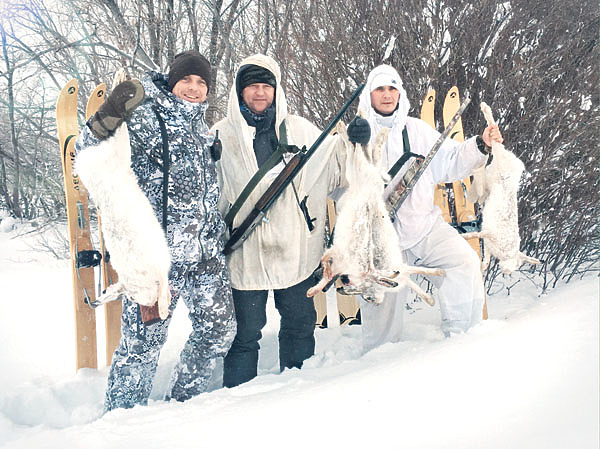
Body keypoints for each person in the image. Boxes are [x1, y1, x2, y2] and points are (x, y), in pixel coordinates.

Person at [75, 50, 236, 411]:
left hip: (204, 256)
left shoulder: (201, 126)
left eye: (201, 83)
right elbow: (90, 152)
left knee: (219, 331)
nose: (193, 89)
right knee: (141, 347)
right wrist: (109, 114)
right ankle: (121, 420)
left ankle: (183, 403)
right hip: (158, 261)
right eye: (186, 80)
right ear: (172, 80)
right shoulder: (146, 114)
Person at [212, 54, 350, 388]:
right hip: (244, 252)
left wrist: (354, 140)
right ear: (238, 91)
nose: (259, 93)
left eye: (266, 86)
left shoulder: (300, 130)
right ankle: (236, 401)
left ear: (276, 90)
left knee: (299, 325)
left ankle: (297, 395)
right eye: (252, 87)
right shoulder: (219, 136)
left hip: (294, 249)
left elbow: (337, 167)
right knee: (244, 335)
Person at [351, 64, 503, 349]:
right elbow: (340, 186)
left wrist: (481, 145)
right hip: (380, 240)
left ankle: (464, 338)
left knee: (463, 262)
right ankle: (377, 365)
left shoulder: (417, 131)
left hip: (423, 226)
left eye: (392, 88)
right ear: (369, 95)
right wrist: (352, 148)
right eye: (380, 89)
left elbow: (450, 161)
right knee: (382, 304)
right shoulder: (356, 133)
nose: (387, 95)